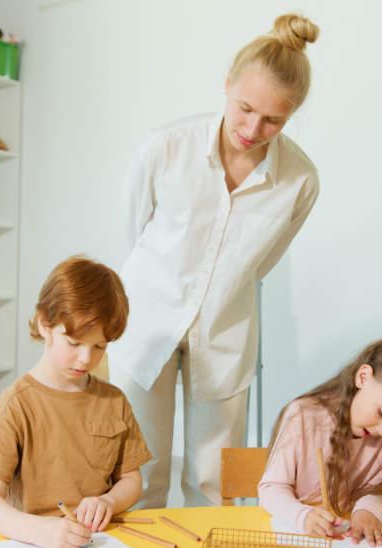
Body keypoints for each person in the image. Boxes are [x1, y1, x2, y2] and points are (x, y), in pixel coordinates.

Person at [108, 13, 320, 507]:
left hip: (226, 336)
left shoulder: (300, 180)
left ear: (292, 114)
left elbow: (262, 263)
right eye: (245, 108)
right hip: (146, 324)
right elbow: (135, 232)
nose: (253, 128)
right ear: (227, 83)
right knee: (138, 477)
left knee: (213, 486)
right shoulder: (166, 148)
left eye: (274, 120)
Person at [0, 256, 151, 548]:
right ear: (45, 324)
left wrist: (109, 501)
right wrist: (37, 530)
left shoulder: (114, 401)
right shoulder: (15, 405)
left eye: (99, 346)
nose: (86, 359)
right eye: (74, 343)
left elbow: (131, 480)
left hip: (102, 545)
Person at [259, 336, 382, 547]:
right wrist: (303, 517)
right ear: (363, 377)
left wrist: (367, 511)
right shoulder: (304, 415)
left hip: (348, 543)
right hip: (295, 537)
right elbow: (271, 488)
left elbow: (376, 490)